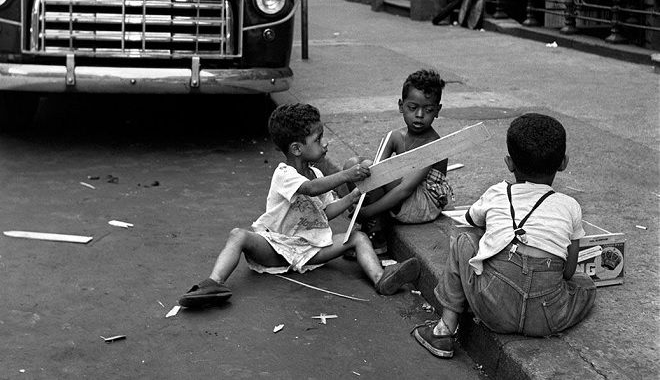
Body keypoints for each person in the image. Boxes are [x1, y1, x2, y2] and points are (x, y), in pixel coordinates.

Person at [178, 103, 421, 309]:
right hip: (277, 247)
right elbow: (311, 189)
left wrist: (353, 197)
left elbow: (326, 212)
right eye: (318, 140)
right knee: (238, 235)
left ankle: (381, 278)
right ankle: (214, 282)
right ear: (297, 148)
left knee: (357, 237)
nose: (325, 145)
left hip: (311, 250)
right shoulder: (285, 174)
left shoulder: (316, 172)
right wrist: (349, 174)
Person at [412, 113, 596, 359]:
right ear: (563, 162)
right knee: (586, 284)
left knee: (464, 240)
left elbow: (470, 221)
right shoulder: (571, 206)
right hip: (547, 318)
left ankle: (444, 329)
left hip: (494, 311)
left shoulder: (497, 193)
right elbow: (569, 272)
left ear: (509, 163)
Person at [345, 69, 452, 256]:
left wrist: (366, 212)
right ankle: (376, 228)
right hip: (404, 198)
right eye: (413, 108)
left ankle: (376, 229)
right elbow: (374, 177)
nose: (419, 115)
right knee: (354, 165)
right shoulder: (394, 137)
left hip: (422, 205)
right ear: (401, 106)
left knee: (370, 166)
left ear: (437, 111)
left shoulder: (433, 144)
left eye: (428, 110)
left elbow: (406, 189)